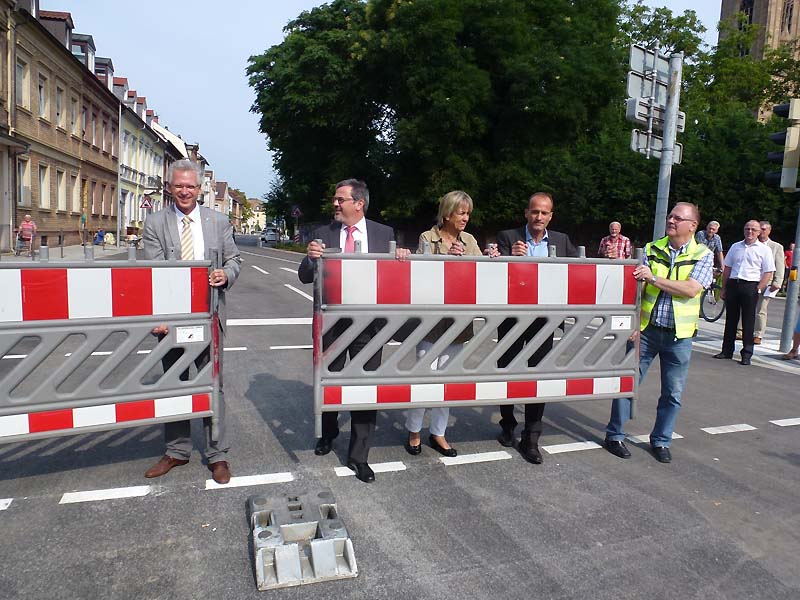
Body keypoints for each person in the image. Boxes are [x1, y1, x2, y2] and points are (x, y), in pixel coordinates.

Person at [298, 178, 409, 483]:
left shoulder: (383, 233)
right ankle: (328, 433)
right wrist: (310, 258)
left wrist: (401, 259)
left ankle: (359, 455)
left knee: (365, 387)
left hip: (370, 327)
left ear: (359, 203)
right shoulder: (322, 233)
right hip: (332, 324)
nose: (335, 204)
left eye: (340, 199)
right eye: (334, 199)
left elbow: (395, 280)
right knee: (331, 381)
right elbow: (304, 277)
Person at [142, 159, 241, 484]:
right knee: (174, 384)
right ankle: (177, 451)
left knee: (213, 386)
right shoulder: (155, 222)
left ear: (199, 190)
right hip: (172, 322)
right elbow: (154, 272)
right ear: (169, 187)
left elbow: (234, 259)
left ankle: (217, 455)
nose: (185, 191)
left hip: (209, 318)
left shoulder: (218, 221)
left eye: (191, 186)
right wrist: (160, 316)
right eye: (179, 185)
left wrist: (225, 274)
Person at [605, 202, 712, 464]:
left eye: (678, 218)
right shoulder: (652, 250)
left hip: (680, 335)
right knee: (627, 384)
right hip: (646, 331)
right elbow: (634, 291)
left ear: (693, 225)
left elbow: (690, 289)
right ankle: (614, 435)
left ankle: (661, 440)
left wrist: (654, 278)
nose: (671, 220)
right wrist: (632, 324)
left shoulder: (703, 254)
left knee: (673, 393)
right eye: (670, 216)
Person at [494, 192, 578, 464]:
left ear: (551, 216)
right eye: (534, 212)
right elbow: (492, 272)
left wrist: (609, 258)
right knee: (507, 370)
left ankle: (531, 438)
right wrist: (508, 257)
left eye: (544, 213)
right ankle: (507, 424)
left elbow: (580, 270)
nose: (539, 217)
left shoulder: (562, 241)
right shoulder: (508, 237)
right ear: (526, 213)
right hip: (511, 319)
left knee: (538, 376)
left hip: (545, 320)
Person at [404, 191, 482, 459]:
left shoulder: (470, 241)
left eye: (468, 213)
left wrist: (478, 260)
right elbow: (421, 275)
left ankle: (438, 432)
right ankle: (414, 430)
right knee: (424, 376)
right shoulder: (427, 238)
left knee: (448, 378)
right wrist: (447, 258)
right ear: (447, 214)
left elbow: (481, 274)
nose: (465, 218)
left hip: (459, 319)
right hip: (431, 319)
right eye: (461, 213)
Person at [714, 220, 775, 366]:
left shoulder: (764, 250)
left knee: (748, 321)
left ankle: (746, 354)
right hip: (734, 284)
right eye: (747, 229)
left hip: (750, 285)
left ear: (759, 232)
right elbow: (727, 268)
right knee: (731, 320)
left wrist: (759, 288)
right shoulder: (736, 247)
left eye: (753, 229)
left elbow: (768, 271)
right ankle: (727, 350)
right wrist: (724, 288)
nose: (750, 232)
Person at [735, 221, 784, 344]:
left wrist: (777, 282)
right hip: (750, 280)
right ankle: (740, 331)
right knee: (744, 306)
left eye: (764, 229)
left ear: (769, 231)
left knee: (761, 309)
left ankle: (758, 334)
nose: (762, 231)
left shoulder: (776, 247)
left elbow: (780, 266)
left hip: (767, 283)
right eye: (760, 229)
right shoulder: (749, 244)